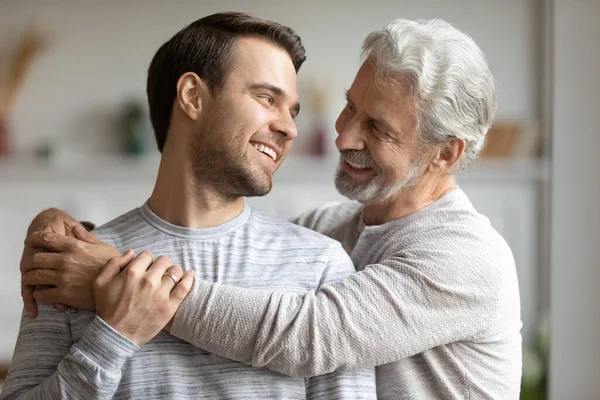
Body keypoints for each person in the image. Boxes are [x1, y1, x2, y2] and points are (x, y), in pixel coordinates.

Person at [16, 18, 522, 400]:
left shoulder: (466, 258)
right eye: (350, 107)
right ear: (191, 96)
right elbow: (230, 242)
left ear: (446, 153)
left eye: (378, 128)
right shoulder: (328, 235)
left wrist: (122, 283)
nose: (342, 136)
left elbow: (307, 335)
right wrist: (59, 230)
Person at [1, 12, 377, 400]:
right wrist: (113, 337)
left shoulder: (319, 266)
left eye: (292, 111)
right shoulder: (70, 260)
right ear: (193, 97)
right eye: (267, 98)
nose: (289, 128)